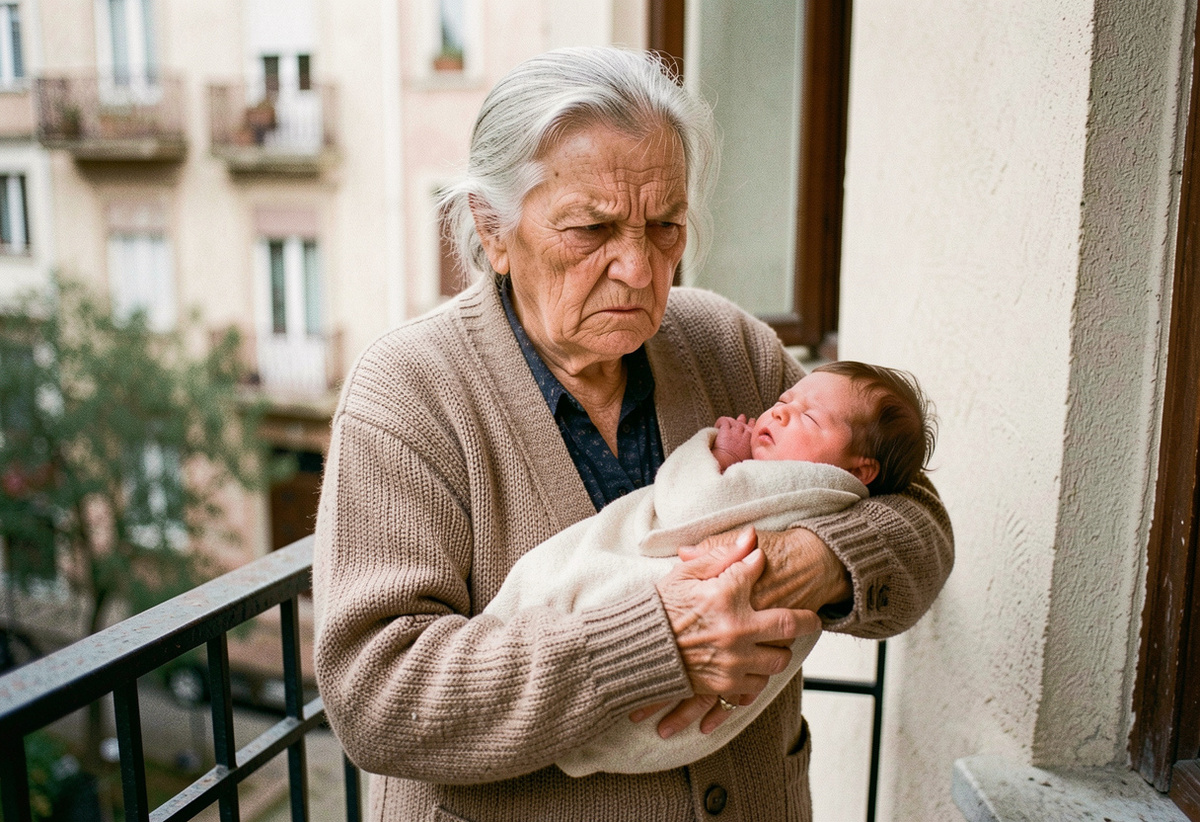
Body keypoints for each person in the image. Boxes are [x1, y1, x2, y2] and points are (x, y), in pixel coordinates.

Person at [313, 46, 953, 822]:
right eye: (592, 228)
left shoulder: (727, 345)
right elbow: (376, 696)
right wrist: (652, 642)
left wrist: (810, 561)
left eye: (665, 226)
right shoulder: (410, 394)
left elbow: (915, 517)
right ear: (494, 230)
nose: (641, 270)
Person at [484, 362, 936, 777]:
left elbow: (689, 505)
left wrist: (716, 455)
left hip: (728, 753)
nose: (778, 414)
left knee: (573, 580)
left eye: (809, 417)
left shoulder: (800, 481)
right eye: (781, 402)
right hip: (566, 732)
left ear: (861, 470)